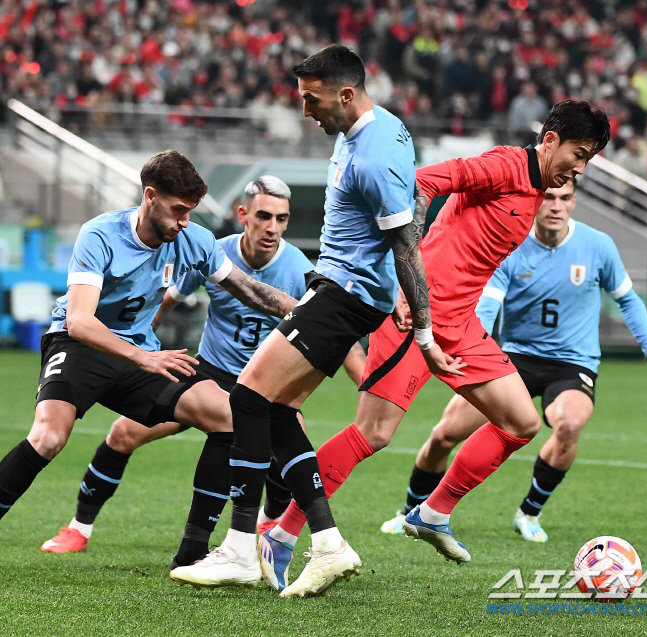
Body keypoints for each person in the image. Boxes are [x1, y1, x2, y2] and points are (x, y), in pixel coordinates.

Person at [258, 100, 613, 591]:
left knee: (522, 422)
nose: (581, 166)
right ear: (550, 139)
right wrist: (406, 280)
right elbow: (422, 182)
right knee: (373, 434)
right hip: (414, 316)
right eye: (579, 151)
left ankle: (433, 512)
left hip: (461, 325)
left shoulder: (538, 187)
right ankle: (281, 533)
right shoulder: (506, 165)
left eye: (590, 157)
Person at [171, 44, 461, 598]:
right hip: (346, 291)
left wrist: (422, 327)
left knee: (248, 396)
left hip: (346, 295)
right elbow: (414, 205)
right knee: (277, 407)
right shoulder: (381, 131)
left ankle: (239, 548)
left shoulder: (372, 153)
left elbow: (406, 243)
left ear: (346, 95)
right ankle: (328, 544)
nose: (306, 109)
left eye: (313, 98)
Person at [38, 175, 366, 563]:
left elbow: (330, 331)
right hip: (209, 372)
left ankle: (266, 524)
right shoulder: (209, 250)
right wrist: (139, 354)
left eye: (282, 219)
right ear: (243, 215)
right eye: (264, 216)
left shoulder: (297, 267)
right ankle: (79, 528)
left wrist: (365, 381)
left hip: (265, 387)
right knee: (123, 433)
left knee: (291, 442)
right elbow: (161, 303)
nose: (272, 228)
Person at [0, 153, 298, 543]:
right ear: (151, 196)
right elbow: (80, 320)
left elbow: (249, 290)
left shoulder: (193, 239)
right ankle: (78, 525)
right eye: (178, 211)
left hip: (141, 353)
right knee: (49, 438)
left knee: (227, 416)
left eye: (190, 212)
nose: (185, 222)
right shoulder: (100, 235)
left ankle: (193, 552)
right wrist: (144, 356)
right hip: (80, 346)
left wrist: (318, 312)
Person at [380, 178, 647, 540]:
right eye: (549, 197)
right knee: (445, 434)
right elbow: (488, 304)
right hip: (513, 359)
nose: (556, 205)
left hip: (573, 364)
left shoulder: (598, 246)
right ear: (537, 201)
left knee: (569, 425)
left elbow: (628, 299)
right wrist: (475, 346)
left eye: (565, 198)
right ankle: (411, 510)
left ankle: (529, 514)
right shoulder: (513, 243)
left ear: (574, 202)